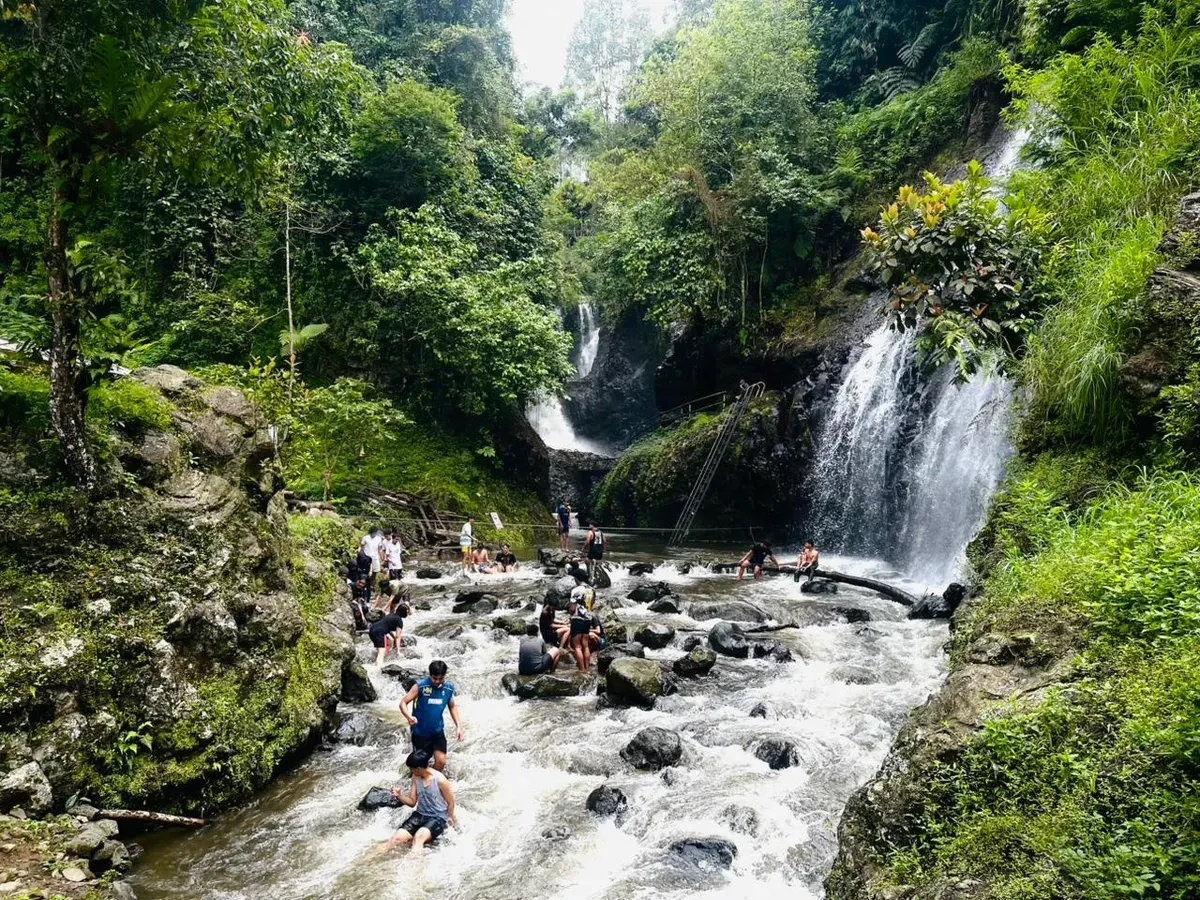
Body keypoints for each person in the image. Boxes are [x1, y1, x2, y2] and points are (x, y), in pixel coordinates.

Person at [384, 750, 456, 853]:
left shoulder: (440, 780)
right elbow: (412, 802)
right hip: (420, 815)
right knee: (395, 839)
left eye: (412, 769)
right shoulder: (415, 777)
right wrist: (400, 796)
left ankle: (411, 866)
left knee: (418, 839)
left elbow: (451, 801)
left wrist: (450, 818)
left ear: (418, 769)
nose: (411, 771)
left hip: (437, 818)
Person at [399, 661, 462, 772]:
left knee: (441, 761)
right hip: (420, 733)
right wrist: (409, 716)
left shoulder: (448, 688)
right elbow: (403, 703)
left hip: (437, 731)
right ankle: (418, 783)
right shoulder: (421, 686)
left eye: (441, 678)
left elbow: (452, 706)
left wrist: (458, 726)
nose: (437, 681)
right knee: (420, 766)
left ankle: (432, 783)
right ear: (430, 675)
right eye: (434, 678)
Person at [568, 592, 597, 672]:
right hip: (587, 621)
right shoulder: (584, 603)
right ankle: (587, 668)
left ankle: (581, 669)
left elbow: (572, 610)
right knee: (586, 646)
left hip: (577, 621)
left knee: (577, 647)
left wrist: (571, 614)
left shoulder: (573, 600)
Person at [360, 527, 385, 591]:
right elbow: (362, 547)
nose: (374, 534)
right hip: (367, 557)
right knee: (368, 572)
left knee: (375, 572)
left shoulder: (379, 539)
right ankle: (366, 585)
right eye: (373, 533)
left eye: (375, 533)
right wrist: (361, 555)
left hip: (375, 557)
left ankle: (371, 584)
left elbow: (380, 549)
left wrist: (382, 558)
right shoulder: (365, 538)